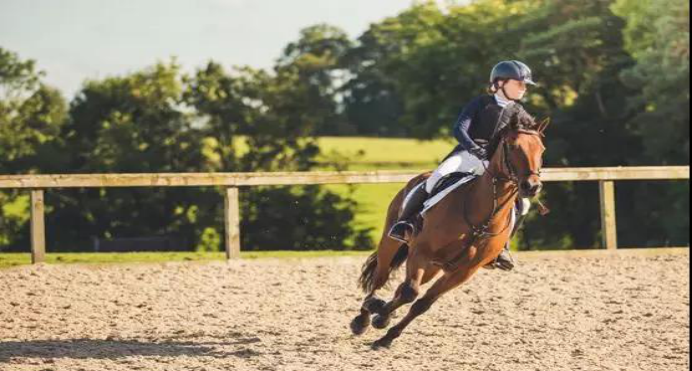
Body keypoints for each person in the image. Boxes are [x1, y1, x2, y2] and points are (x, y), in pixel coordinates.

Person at [388, 60, 537, 271]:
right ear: (500, 82)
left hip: (494, 164)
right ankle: (405, 222)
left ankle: (501, 246)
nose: (524, 88)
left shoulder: (519, 113)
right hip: (466, 154)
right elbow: (459, 129)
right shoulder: (481, 103)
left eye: (525, 85)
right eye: (520, 83)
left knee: (525, 204)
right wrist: (475, 149)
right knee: (437, 177)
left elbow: (529, 138)